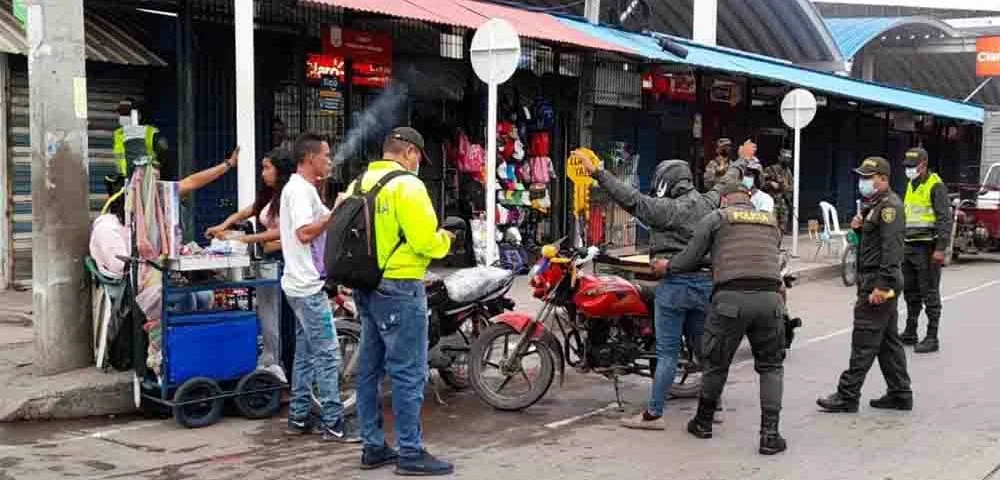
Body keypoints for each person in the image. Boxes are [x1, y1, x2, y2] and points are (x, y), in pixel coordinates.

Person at [578, 142, 750, 430]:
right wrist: (742, 161)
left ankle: (654, 415)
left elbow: (629, 198)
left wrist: (599, 173)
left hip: (674, 284)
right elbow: (727, 182)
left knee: (667, 353)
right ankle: (713, 407)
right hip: (704, 285)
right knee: (703, 350)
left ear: (666, 181)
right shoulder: (708, 202)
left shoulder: (666, 209)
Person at [349, 127, 454, 475]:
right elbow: (425, 241)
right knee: (409, 372)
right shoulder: (408, 186)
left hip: (365, 285)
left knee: (369, 370)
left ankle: (373, 446)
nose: (418, 164)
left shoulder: (359, 183)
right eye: (418, 158)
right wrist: (447, 240)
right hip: (400, 287)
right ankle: (410, 452)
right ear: (409, 152)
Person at [660, 182, 787, 455]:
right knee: (771, 367)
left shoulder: (718, 217)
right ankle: (770, 435)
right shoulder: (770, 220)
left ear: (725, 199)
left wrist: (667, 266)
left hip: (731, 301)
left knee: (716, 364)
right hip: (771, 300)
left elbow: (689, 258)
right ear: (750, 199)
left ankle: (703, 422)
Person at [817, 157, 912, 413]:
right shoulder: (875, 205)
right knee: (887, 342)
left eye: (868, 177)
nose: (863, 182)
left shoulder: (890, 207)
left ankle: (847, 395)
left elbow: (891, 250)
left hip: (879, 281)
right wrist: (859, 231)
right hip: (875, 277)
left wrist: (882, 286)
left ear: (883, 178)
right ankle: (900, 393)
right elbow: (872, 245)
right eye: (862, 177)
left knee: (864, 339)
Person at [280, 133, 358, 442]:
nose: (329, 160)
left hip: (298, 285)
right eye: (326, 155)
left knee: (306, 355)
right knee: (328, 356)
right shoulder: (299, 191)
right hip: (307, 288)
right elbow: (303, 233)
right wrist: (335, 215)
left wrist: (333, 211)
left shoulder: (301, 189)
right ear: (310, 158)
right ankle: (334, 423)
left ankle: (298, 418)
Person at [205, 149, 295, 383]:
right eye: (263, 167)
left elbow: (286, 233)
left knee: (282, 320)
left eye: (267, 168)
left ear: (280, 170)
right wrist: (223, 224)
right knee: (268, 317)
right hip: (269, 263)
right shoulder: (269, 196)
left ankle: (289, 371)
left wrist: (244, 240)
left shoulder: (290, 195)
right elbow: (250, 210)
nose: (263, 173)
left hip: (285, 264)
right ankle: (273, 363)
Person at [900, 147, 950, 353]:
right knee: (910, 292)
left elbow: (944, 219)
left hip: (928, 249)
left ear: (923, 164)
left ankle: (932, 336)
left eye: (913, 166)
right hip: (909, 247)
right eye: (907, 166)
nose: (909, 169)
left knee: (929, 294)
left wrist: (940, 249)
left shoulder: (935, 185)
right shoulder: (911, 184)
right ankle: (910, 331)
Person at [763, 150, 794, 234]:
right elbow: (761, 184)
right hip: (773, 202)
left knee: (782, 228)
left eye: (788, 158)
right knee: (772, 226)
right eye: (785, 158)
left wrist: (787, 189)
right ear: (779, 158)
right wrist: (770, 183)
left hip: (784, 203)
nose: (787, 160)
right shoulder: (771, 169)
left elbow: (792, 186)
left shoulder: (788, 171)